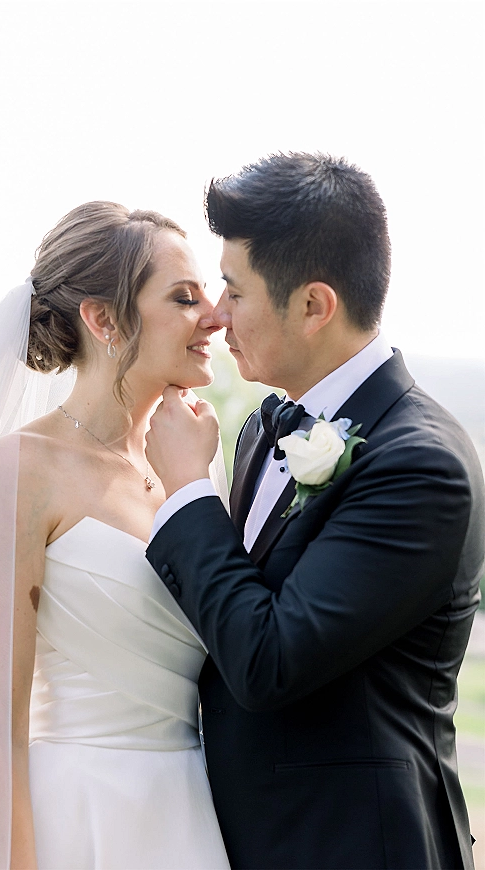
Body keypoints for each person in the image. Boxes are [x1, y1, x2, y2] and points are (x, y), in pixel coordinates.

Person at [145, 153, 485, 870]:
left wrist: (186, 491)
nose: (216, 314)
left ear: (313, 306)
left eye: (235, 291)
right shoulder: (263, 426)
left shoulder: (421, 466)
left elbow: (268, 660)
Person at [0, 202, 230, 869]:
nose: (214, 316)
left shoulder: (196, 464)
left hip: (195, 817)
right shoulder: (23, 468)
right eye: (183, 298)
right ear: (104, 320)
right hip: (77, 819)